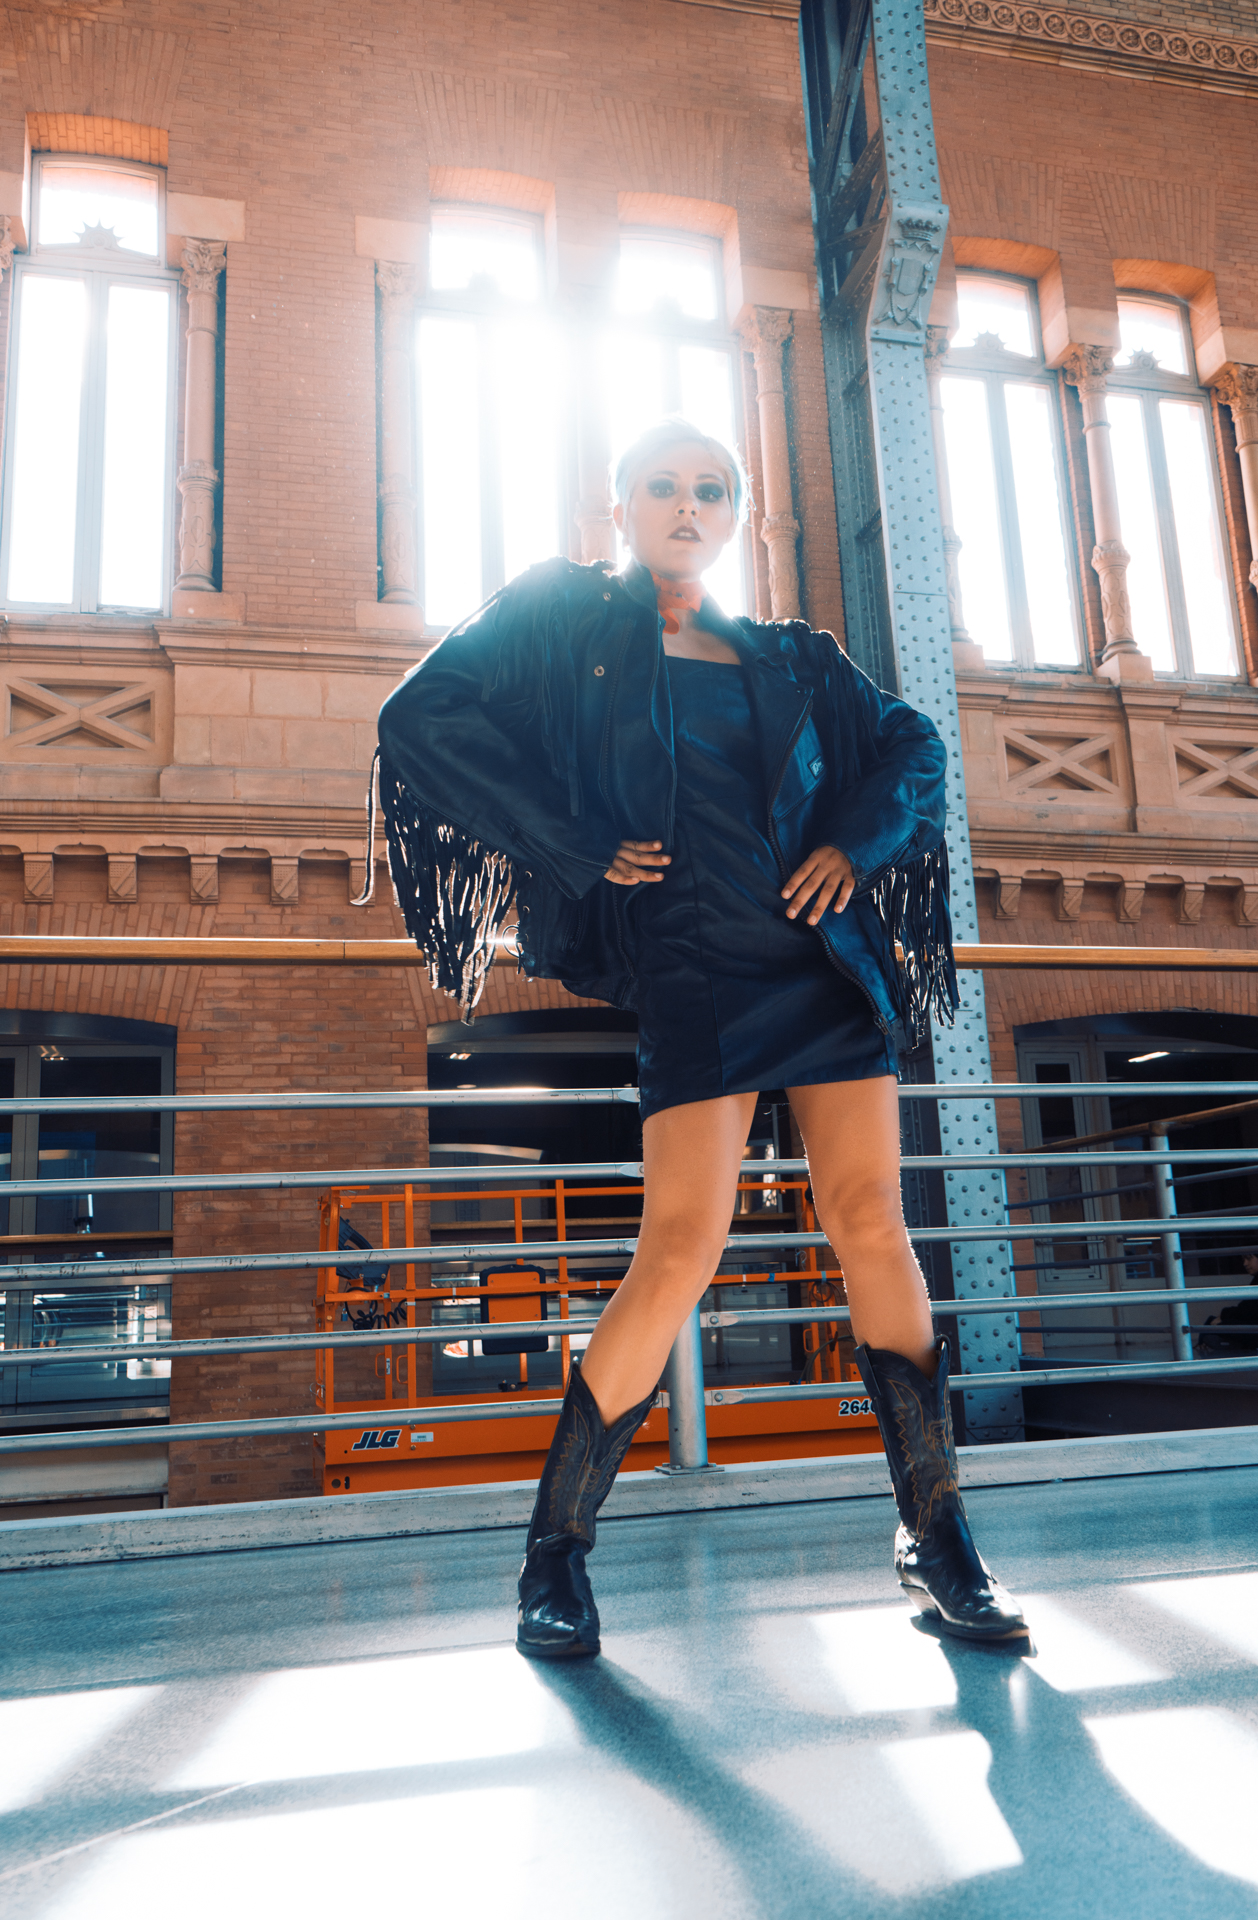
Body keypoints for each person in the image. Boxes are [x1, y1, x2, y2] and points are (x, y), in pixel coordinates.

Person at [375, 416, 1029, 1657]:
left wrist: (854, 845)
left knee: (875, 1227)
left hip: (821, 972)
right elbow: (422, 718)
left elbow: (914, 746)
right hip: (690, 972)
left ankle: (934, 1532)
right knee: (677, 1247)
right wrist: (564, 839)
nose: (687, 507)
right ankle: (554, 1553)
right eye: (663, 488)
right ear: (621, 505)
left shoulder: (792, 655)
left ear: (738, 516)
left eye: (711, 491)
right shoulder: (566, 619)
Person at [1197, 1251, 1258, 1354]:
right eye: (1244, 1260)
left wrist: (1224, 1315)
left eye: (1249, 1259)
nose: (1245, 1264)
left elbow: (1250, 1310)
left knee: (1221, 1325)